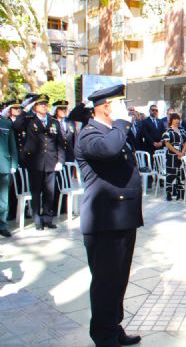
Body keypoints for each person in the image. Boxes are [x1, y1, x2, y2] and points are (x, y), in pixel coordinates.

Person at [75, 84, 143, 347]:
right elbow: (109, 150)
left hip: (123, 217)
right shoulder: (89, 135)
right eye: (118, 105)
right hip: (104, 220)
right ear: (106, 107)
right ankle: (103, 336)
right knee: (105, 282)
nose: (124, 110)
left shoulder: (113, 132)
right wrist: (122, 122)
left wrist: (122, 125)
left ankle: (114, 328)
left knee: (119, 280)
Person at [13, 94, 65, 230]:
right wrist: (25, 109)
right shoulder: (29, 120)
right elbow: (17, 126)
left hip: (51, 162)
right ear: (35, 107)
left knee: (50, 193)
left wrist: (60, 161)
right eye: (40, 104)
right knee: (36, 192)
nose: (44, 106)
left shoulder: (54, 122)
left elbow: (60, 144)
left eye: (45, 104)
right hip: (35, 162)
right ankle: (38, 220)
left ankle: (48, 218)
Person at [162, 113, 186, 201]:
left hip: (181, 156)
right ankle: (169, 194)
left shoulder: (182, 130)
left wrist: (182, 152)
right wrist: (177, 152)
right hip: (171, 156)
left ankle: (180, 195)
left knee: (180, 175)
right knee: (171, 175)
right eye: (175, 119)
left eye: (178, 119)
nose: (177, 121)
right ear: (171, 120)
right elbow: (167, 143)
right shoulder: (168, 131)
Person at [0, 113, 19, 237]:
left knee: (3, 200)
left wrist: (14, 164)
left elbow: (12, 145)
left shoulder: (6, 123)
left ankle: (2, 225)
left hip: (4, 165)